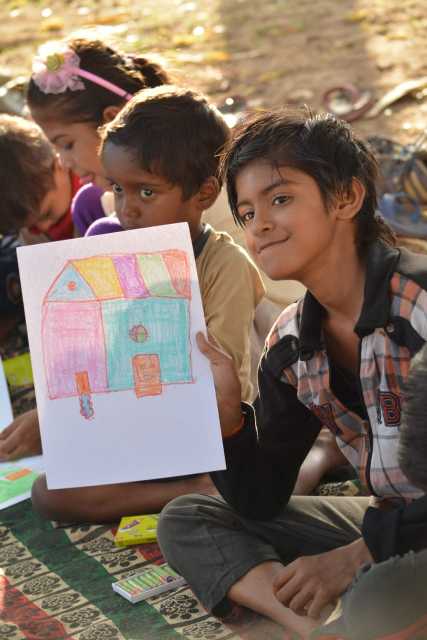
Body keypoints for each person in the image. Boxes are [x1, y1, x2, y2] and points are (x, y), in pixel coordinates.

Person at [157, 109, 427, 638]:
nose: (258, 225)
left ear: (346, 197)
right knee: (189, 518)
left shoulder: (418, 308)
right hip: (393, 521)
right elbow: (261, 500)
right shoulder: (291, 347)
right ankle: (313, 627)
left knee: (378, 598)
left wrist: (358, 554)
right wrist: (229, 420)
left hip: (399, 532)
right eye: (245, 212)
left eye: (280, 199)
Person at [29, 85, 265, 523]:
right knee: (48, 493)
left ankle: (207, 484)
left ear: (204, 194)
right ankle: (194, 491)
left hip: (216, 433)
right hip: (143, 432)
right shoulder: (118, 258)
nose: (127, 209)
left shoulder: (225, 264)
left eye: (147, 193)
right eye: (119, 189)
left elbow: (227, 381)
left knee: (246, 468)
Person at [0, 37, 171, 457]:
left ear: (110, 122)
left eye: (66, 144)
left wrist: (57, 415)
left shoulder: (173, 197)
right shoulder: (95, 205)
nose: (63, 160)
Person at [0, 114, 81, 241]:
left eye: (48, 213)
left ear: (59, 164)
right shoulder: (32, 237)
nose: (43, 228)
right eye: (30, 226)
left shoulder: (101, 193)